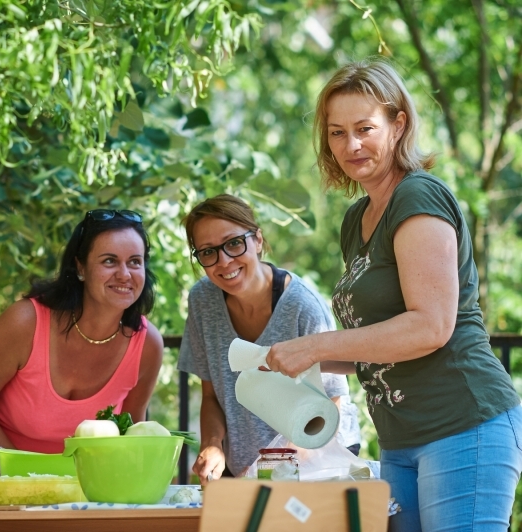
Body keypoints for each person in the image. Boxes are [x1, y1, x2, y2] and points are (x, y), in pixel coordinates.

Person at [264, 58, 522, 531]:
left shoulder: (418, 195)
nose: (351, 145)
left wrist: (316, 345)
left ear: (398, 124)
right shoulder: (356, 219)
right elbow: (373, 343)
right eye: (337, 132)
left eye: (364, 128)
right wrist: (291, 359)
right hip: (399, 441)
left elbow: (430, 327)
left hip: (462, 424)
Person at [178, 194, 361, 484]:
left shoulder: (303, 306)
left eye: (234, 243)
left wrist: (281, 464)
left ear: (258, 241)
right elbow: (212, 396)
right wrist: (212, 445)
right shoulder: (202, 300)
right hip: (246, 470)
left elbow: (333, 402)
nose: (223, 261)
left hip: (317, 464)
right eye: (208, 252)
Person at [0, 209, 164, 453]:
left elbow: (130, 432)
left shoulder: (147, 343)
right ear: (80, 268)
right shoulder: (25, 322)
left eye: (135, 262)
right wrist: (22, 477)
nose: (125, 274)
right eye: (109, 261)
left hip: (71, 485)